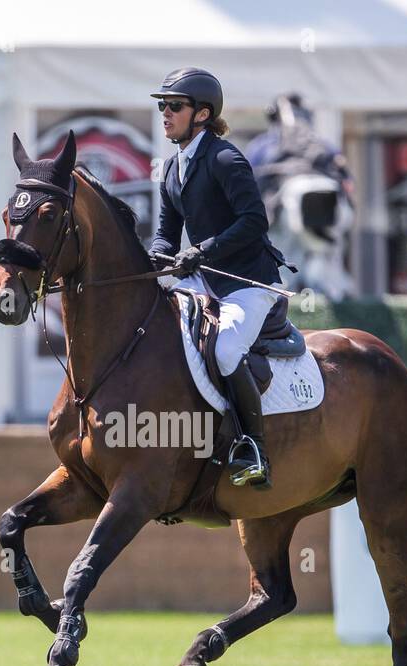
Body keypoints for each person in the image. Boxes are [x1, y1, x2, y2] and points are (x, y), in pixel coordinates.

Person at [148, 67, 289, 489]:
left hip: (248, 282)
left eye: (174, 106)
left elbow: (254, 221)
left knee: (226, 350)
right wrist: (155, 257)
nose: (165, 114)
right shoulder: (172, 170)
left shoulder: (226, 159)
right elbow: (165, 234)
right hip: (205, 281)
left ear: (203, 114)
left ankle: (253, 448)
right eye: (162, 106)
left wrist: (202, 250)